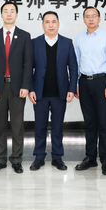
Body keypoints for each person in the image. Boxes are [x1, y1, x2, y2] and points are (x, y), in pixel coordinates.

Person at [0, 2, 33, 174]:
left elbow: (28, 64)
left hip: (17, 87)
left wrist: (26, 86)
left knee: (17, 125)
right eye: (5, 11)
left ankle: (16, 159)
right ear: (1, 14)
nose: (9, 14)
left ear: (16, 14)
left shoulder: (25, 36)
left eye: (12, 11)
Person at [29, 11, 78, 171]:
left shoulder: (67, 42)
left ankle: (57, 157)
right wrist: (31, 89)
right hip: (40, 93)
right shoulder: (34, 43)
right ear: (42, 24)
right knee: (40, 126)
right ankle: (39, 157)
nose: (51, 25)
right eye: (47, 22)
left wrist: (72, 89)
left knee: (57, 127)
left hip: (60, 93)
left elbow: (73, 67)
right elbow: (28, 68)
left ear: (58, 24)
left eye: (54, 21)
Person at [74, 7, 106, 176]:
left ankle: (105, 160)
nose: (91, 19)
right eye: (87, 16)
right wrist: (77, 84)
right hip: (84, 82)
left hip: (102, 82)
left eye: (94, 16)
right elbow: (77, 63)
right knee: (89, 123)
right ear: (83, 19)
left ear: (99, 18)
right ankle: (90, 157)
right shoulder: (79, 38)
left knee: (104, 124)